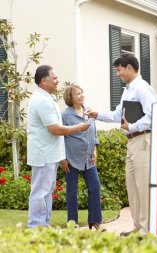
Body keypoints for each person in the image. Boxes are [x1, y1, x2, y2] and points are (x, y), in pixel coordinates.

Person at [87, 53, 157, 235]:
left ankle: (146, 230)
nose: (117, 74)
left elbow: (155, 114)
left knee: (143, 187)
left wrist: (132, 126)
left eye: (119, 70)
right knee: (132, 187)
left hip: (143, 140)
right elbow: (118, 115)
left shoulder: (143, 88)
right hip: (132, 142)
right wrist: (98, 115)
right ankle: (137, 227)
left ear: (129, 68)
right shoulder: (128, 90)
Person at [27, 65, 90, 228]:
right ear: (43, 81)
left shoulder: (48, 98)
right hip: (43, 155)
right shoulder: (42, 100)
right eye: (54, 78)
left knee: (46, 192)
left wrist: (61, 156)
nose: (57, 81)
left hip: (50, 154)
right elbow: (54, 129)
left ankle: (43, 226)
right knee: (40, 193)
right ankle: (35, 227)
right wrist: (78, 128)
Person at [60, 85, 105, 231]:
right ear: (70, 98)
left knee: (95, 187)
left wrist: (95, 150)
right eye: (77, 94)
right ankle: (73, 224)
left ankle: (95, 222)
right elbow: (60, 138)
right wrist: (62, 158)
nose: (81, 95)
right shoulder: (65, 116)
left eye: (82, 93)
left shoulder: (89, 111)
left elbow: (94, 133)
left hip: (88, 158)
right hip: (71, 158)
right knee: (72, 191)